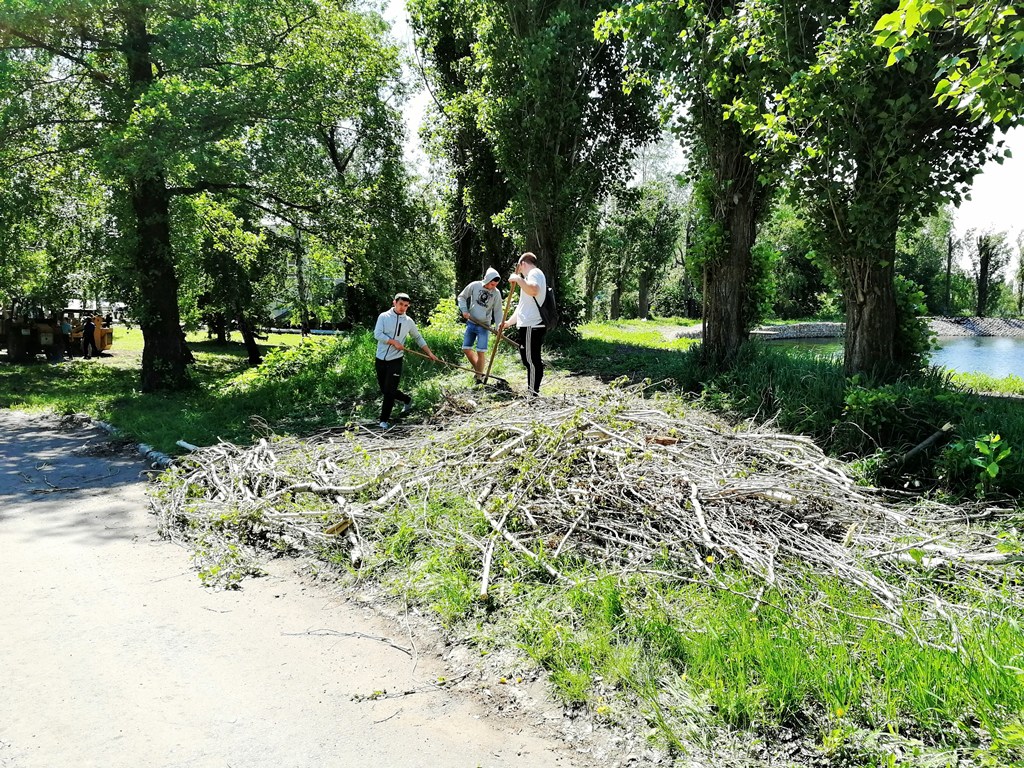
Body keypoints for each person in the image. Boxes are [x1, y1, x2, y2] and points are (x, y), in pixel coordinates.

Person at [373, 293, 438, 429]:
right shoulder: (384, 317)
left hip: (396, 360)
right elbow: (377, 334)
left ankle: (383, 420)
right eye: (401, 304)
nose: (403, 308)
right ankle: (407, 400)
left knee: (390, 391)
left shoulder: (408, 321)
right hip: (380, 359)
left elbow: (418, 337)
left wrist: (430, 353)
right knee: (385, 390)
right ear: (394, 303)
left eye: (406, 306)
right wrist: (393, 342)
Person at [501, 252, 547, 397]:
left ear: (522, 264)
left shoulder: (534, 273)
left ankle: (532, 394)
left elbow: (534, 290)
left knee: (532, 361)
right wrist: (508, 323)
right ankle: (532, 391)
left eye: (519, 268)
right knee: (529, 360)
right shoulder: (528, 278)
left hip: (532, 326)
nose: (519, 271)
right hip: (528, 325)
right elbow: (522, 308)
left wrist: (518, 279)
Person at [456, 267, 503, 384]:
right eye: (491, 284)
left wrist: (499, 326)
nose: (493, 287)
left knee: (481, 351)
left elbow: (497, 311)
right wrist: (464, 310)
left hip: (484, 326)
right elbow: (461, 297)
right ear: (486, 280)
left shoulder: (496, 294)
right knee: (466, 349)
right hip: (471, 323)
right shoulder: (474, 286)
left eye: (495, 285)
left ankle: (478, 379)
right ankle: (479, 371)